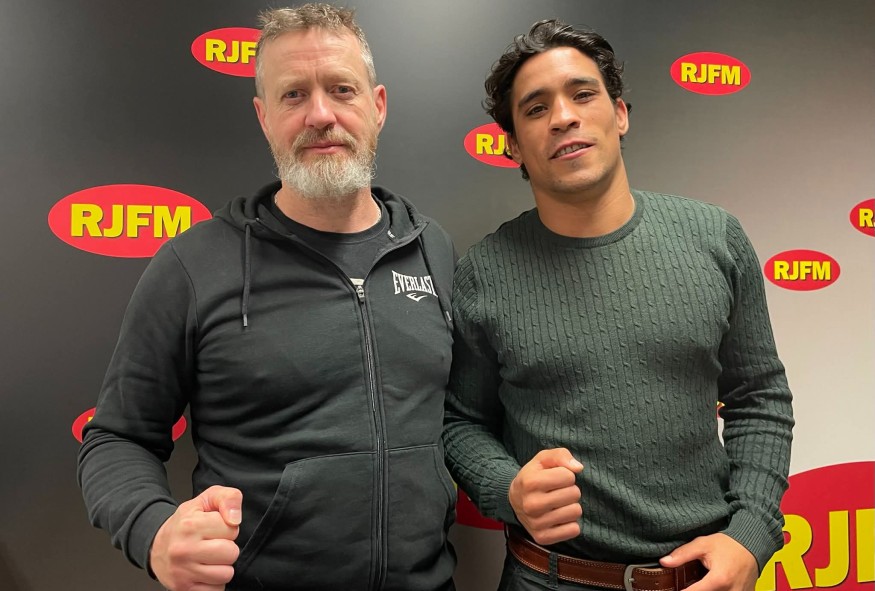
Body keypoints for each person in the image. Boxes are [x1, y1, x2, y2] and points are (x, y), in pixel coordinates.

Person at [77, 5, 457, 590]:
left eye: (341, 89)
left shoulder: (432, 250)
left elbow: (460, 419)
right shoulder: (193, 266)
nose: (320, 115)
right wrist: (153, 531)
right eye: (293, 95)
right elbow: (116, 437)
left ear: (377, 106)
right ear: (263, 116)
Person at [443, 19, 794, 591]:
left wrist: (751, 532)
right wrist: (506, 487)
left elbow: (759, 398)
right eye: (536, 108)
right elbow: (461, 422)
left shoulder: (716, 239)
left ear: (620, 113)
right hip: (547, 578)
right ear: (513, 146)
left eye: (582, 94)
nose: (563, 117)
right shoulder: (485, 272)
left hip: (701, 577)